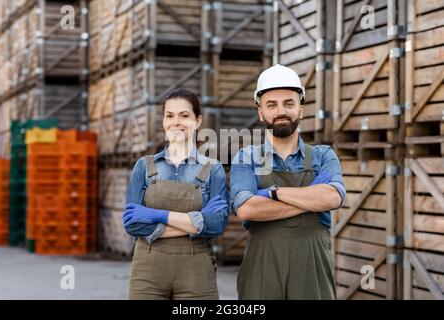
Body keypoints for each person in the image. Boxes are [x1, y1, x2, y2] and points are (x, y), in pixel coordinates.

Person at [230, 64, 346, 300]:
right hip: (262, 270)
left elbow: (332, 197)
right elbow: (247, 208)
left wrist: (272, 192)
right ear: (261, 112)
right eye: (271, 104)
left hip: (312, 270)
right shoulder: (246, 157)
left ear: (301, 110)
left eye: (289, 103)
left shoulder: (323, 155)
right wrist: (311, 197)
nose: (280, 110)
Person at [123, 88, 229, 300]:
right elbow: (133, 225)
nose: (176, 122)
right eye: (169, 115)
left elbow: (217, 225)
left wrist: (157, 215)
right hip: (148, 270)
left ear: (198, 121)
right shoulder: (144, 167)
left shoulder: (212, 169)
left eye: (184, 115)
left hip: (196, 270)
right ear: (163, 120)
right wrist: (197, 222)